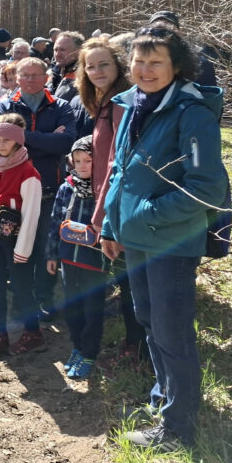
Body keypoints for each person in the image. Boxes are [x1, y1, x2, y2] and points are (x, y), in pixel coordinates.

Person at [101, 28, 229, 451]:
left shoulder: (191, 112)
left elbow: (205, 188)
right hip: (137, 238)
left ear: (177, 66)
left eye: (155, 62)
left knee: (172, 332)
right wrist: (110, 226)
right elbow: (119, 172)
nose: (145, 70)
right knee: (150, 320)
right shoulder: (132, 104)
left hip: (170, 242)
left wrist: (145, 217)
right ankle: (166, 400)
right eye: (138, 61)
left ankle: (178, 430)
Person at [71, 36, 145, 364]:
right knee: (125, 279)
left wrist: (102, 215)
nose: (97, 71)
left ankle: (137, 346)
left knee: (130, 283)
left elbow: (119, 163)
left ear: (119, 65)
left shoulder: (121, 103)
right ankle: (135, 341)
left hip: (120, 207)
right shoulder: (102, 102)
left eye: (104, 64)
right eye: (91, 66)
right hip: (110, 203)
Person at [0, 56, 77, 321]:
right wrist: (46, 140)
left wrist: (19, 137)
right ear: (16, 78)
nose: (30, 80)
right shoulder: (6, 104)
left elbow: (66, 143)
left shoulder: (61, 106)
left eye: (35, 75)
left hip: (49, 190)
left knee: (44, 246)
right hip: (12, 192)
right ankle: (21, 297)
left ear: (47, 77)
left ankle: (44, 297)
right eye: (24, 75)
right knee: (16, 246)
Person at [0, 113, 45, 359]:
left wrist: (22, 250)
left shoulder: (29, 174)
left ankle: (33, 333)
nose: (0, 144)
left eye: (6, 140)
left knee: (22, 287)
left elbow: (31, 215)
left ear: (17, 141)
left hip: (16, 242)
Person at [46, 136, 105, 381]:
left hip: (94, 261)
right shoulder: (66, 187)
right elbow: (55, 222)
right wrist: (52, 253)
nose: (82, 166)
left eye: (88, 160)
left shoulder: (103, 190)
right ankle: (77, 347)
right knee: (72, 306)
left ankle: (90, 352)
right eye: (77, 160)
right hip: (68, 259)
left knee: (93, 309)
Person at [49, 31, 84, 101]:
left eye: (62, 50)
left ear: (78, 51)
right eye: (55, 50)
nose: (57, 54)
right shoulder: (53, 73)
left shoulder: (85, 77)